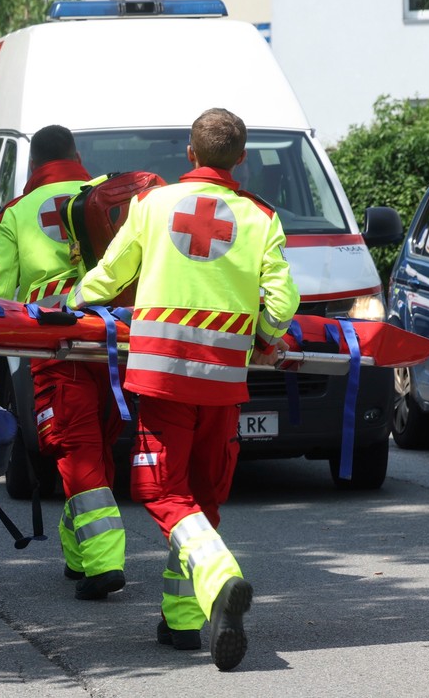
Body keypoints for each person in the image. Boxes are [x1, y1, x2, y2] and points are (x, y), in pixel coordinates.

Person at [67, 108, 300, 670]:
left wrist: (71, 302)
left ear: (189, 155)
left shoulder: (153, 204)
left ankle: (221, 577)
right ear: (241, 158)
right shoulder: (262, 218)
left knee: (162, 492)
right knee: (202, 495)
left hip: (165, 376)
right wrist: (268, 335)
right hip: (223, 382)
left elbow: (113, 275)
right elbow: (281, 303)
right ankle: (184, 621)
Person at [0, 124, 128, 601]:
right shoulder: (105, 192)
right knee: (95, 446)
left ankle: (104, 563)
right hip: (110, 340)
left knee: (76, 446)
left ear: (32, 166)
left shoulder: (17, 213)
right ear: (76, 154)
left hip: (55, 346)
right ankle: (80, 554)